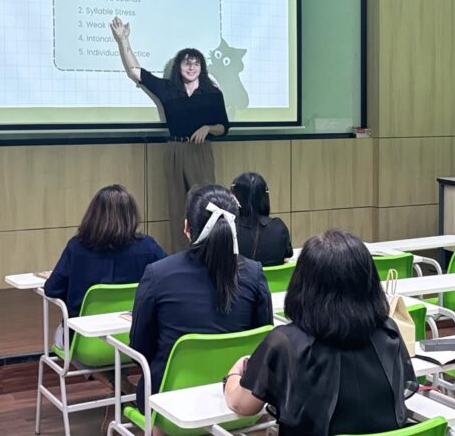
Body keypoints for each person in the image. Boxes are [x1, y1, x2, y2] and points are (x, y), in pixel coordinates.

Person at [224, 229, 418, 436]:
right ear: (369, 283)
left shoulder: (285, 343)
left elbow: (242, 405)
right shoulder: (388, 331)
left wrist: (234, 374)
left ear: (303, 284)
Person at [129, 184, 273, 408]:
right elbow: (264, 338)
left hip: (169, 404)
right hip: (238, 399)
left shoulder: (157, 274)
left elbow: (139, 346)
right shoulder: (254, 273)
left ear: (187, 227)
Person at [110, 16, 230, 252]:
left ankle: (207, 253)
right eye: (187, 63)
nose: (191, 67)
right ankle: (181, 256)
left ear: (201, 67)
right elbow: (136, 72)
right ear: (179, 67)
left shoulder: (212, 93)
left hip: (200, 151)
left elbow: (225, 126)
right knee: (177, 208)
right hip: (175, 150)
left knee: (206, 205)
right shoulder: (168, 89)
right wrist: (123, 40)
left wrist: (208, 128)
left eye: (196, 63)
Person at [44, 185, 166, 348]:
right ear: (131, 215)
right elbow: (168, 282)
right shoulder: (149, 248)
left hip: (81, 343)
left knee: (59, 332)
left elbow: (52, 289)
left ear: (93, 215)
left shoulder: (76, 248)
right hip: (135, 343)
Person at [232, 171, 293, 267]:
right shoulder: (278, 227)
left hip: (238, 282)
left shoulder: (228, 229)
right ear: (265, 197)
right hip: (269, 282)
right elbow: (288, 255)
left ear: (235, 197)